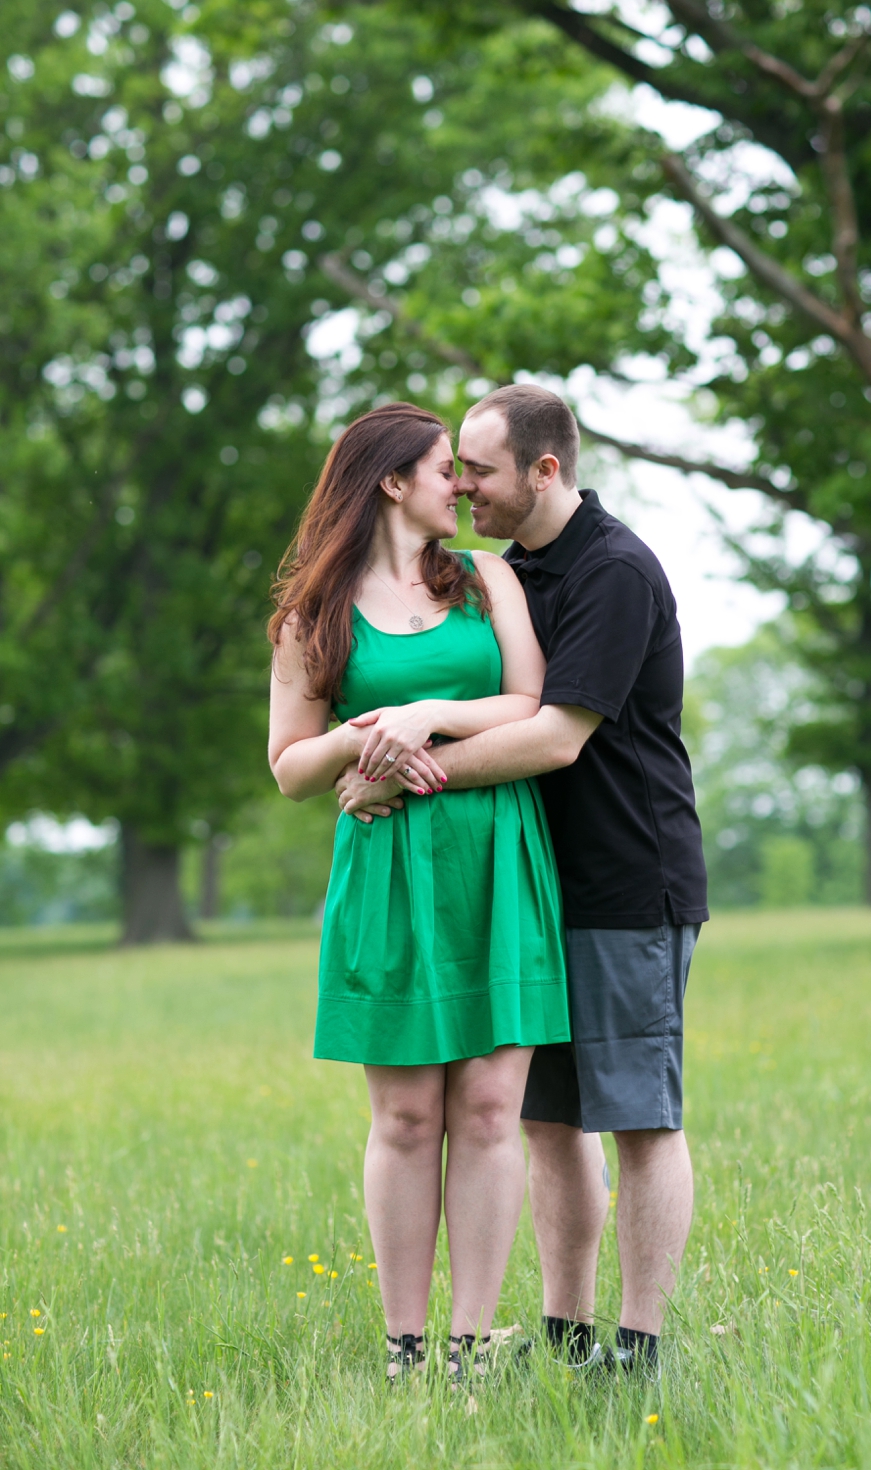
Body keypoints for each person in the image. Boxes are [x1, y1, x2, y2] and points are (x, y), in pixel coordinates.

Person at [337, 385, 708, 1377]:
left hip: (627, 885)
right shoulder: (503, 573)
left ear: (545, 471)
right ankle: (563, 1336)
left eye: (479, 470)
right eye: (451, 467)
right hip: (529, 892)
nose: (461, 486)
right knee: (544, 1124)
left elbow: (550, 736)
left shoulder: (614, 571)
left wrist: (392, 783)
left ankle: (640, 1348)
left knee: (638, 1120)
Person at [267, 402, 570, 1386]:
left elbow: (526, 701)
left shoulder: (487, 579)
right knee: (404, 1118)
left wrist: (421, 715)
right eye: (449, 469)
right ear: (393, 482)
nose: (465, 485)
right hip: (388, 869)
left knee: (488, 1108)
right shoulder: (309, 614)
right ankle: (405, 1344)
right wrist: (366, 743)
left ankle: (470, 1345)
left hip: (492, 856)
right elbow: (288, 767)